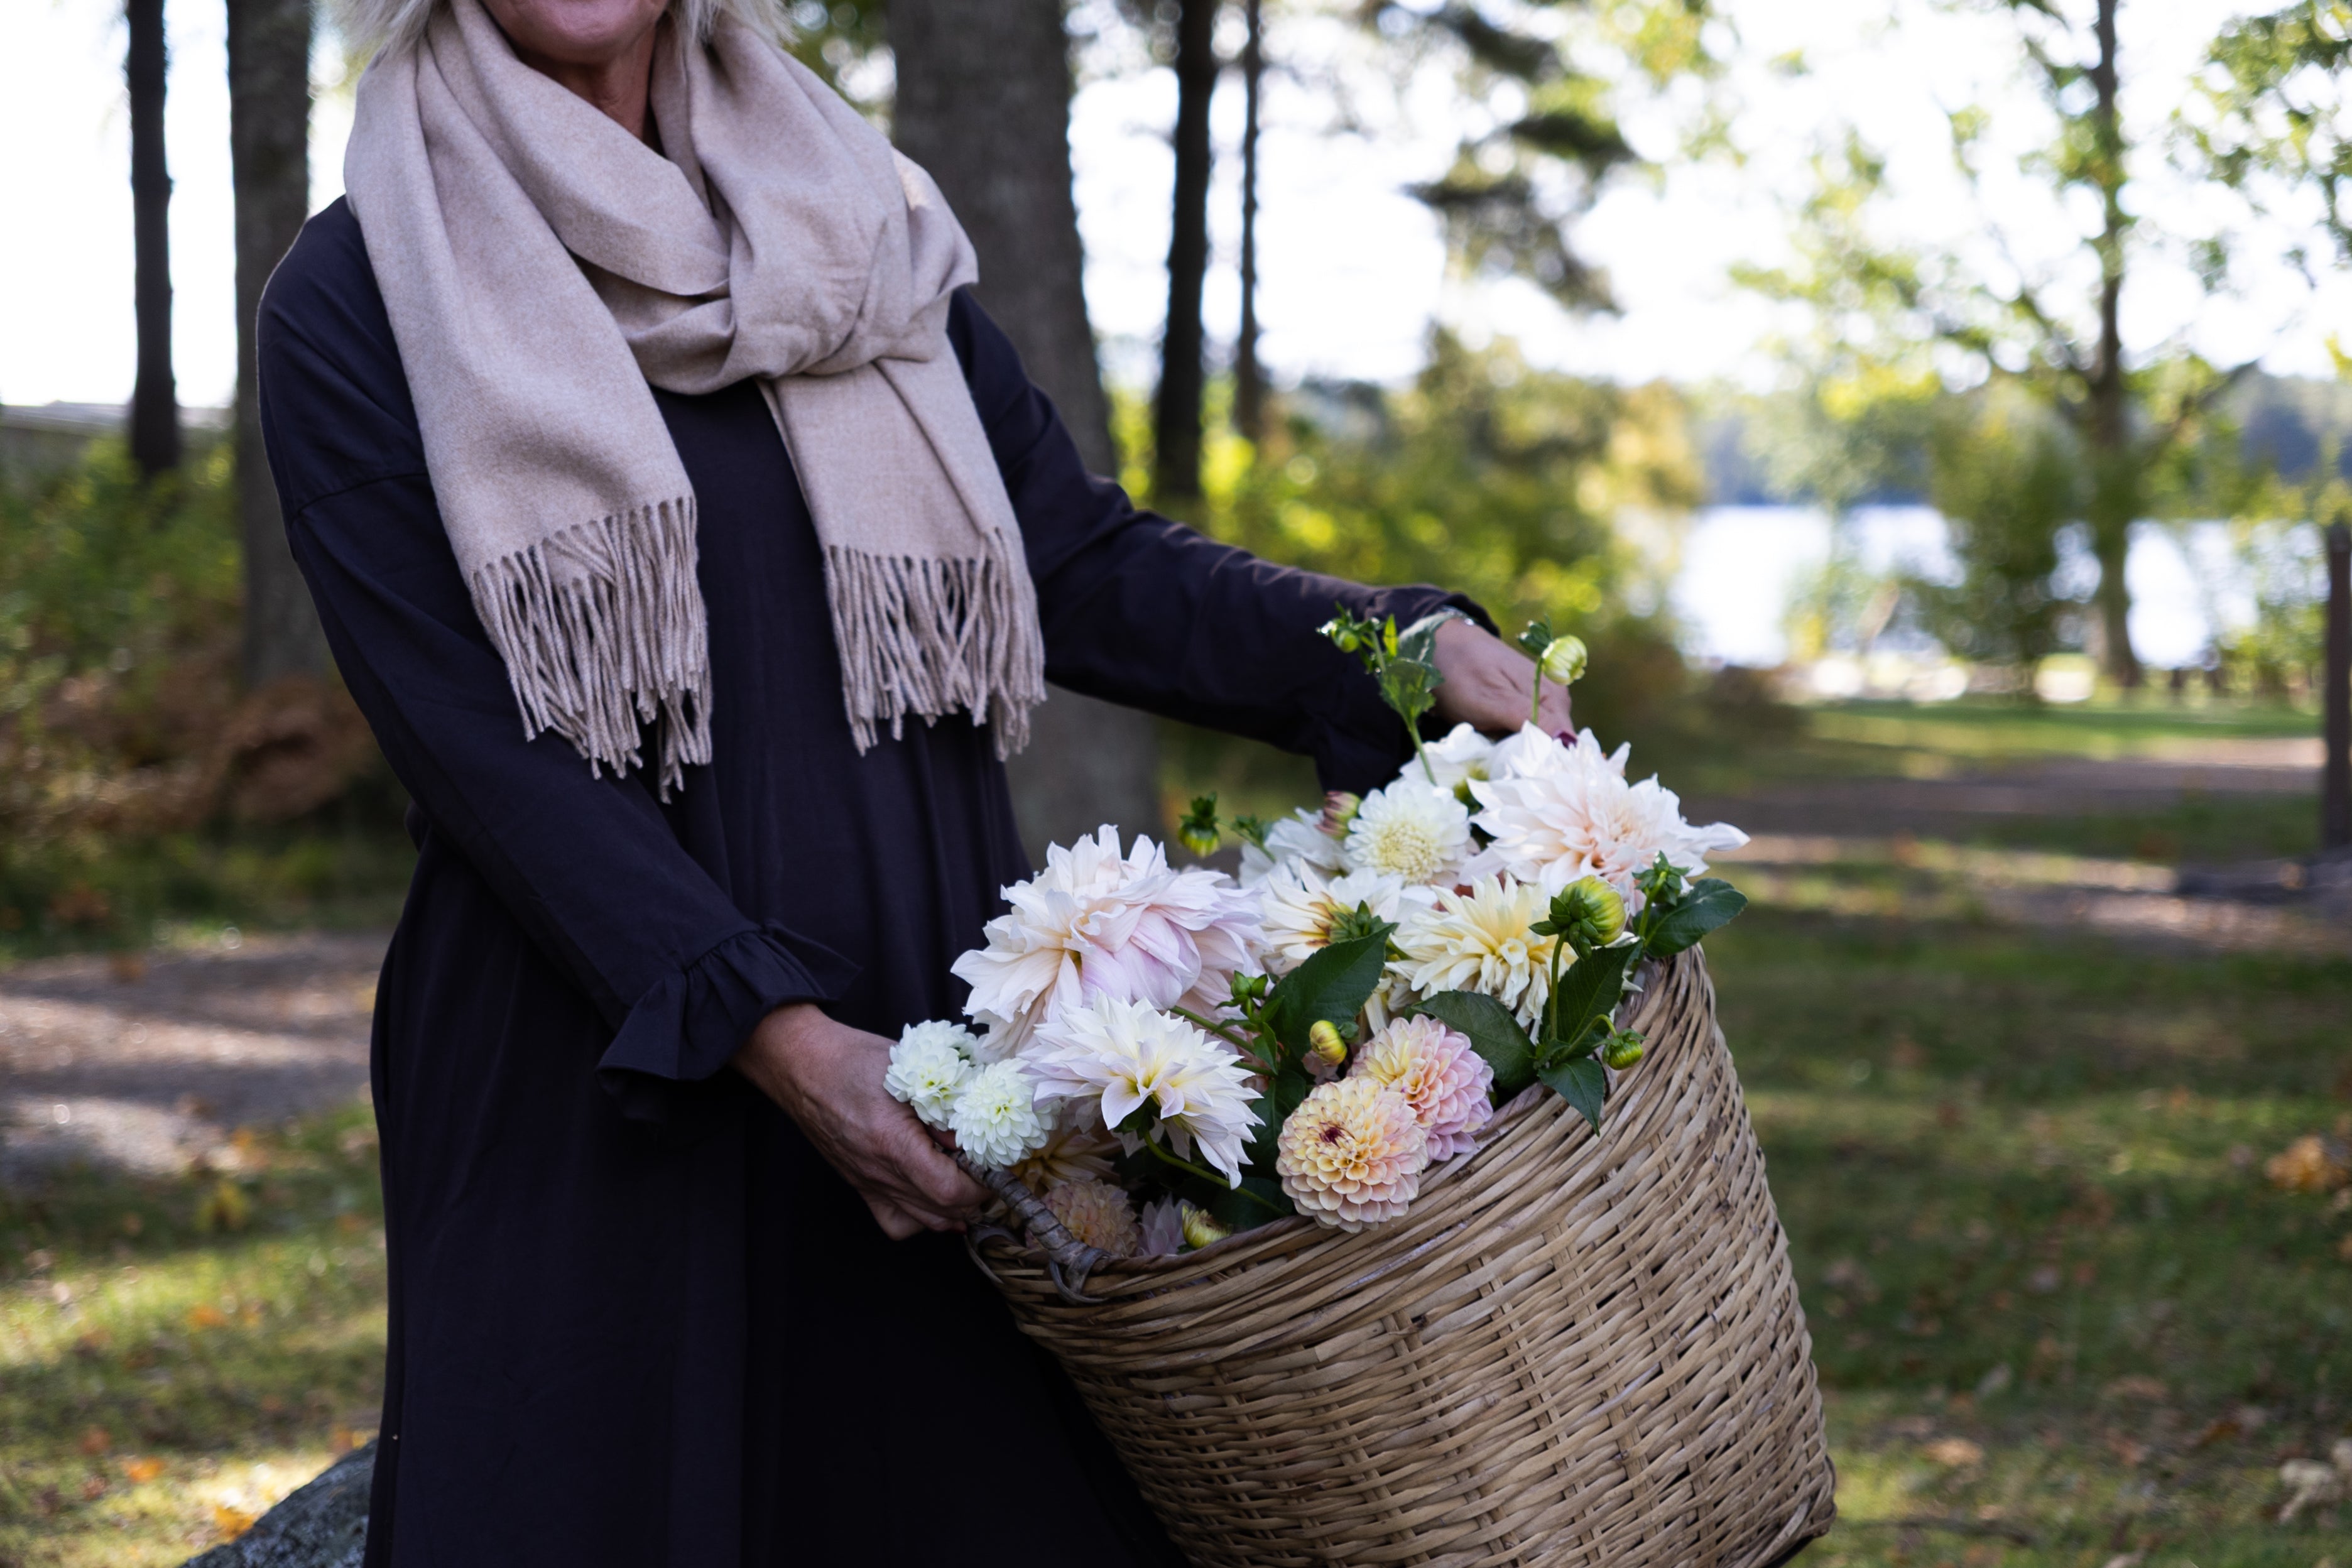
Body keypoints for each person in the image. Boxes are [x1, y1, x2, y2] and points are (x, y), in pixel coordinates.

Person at [259, 0, 1575, 1560]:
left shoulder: (850, 223)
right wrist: (777, 1039)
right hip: (601, 1103)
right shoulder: (361, 290)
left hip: (926, 1057)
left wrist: (1388, 647)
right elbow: (487, 761)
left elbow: (1077, 560)